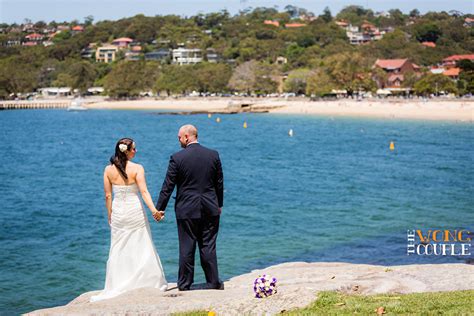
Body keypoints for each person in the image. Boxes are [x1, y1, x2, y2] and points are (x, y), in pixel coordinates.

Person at [91, 138, 167, 302]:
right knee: (141, 243)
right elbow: (144, 192)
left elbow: (107, 195)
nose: (136, 151)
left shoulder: (108, 170)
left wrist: (110, 213)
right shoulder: (137, 168)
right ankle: (146, 281)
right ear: (126, 151)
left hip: (119, 211)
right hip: (134, 210)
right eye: (134, 149)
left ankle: (119, 282)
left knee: (118, 247)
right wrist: (154, 211)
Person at [156, 125, 224, 291]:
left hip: (186, 208)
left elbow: (168, 185)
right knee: (208, 245)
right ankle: (213, 281)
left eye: (179, 137)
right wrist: (219, 204)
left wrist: (160, 208)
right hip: (210, 207)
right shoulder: (213, 155)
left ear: (187, 137)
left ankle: (185, 284)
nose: (178, 140)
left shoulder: (177, 158)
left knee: (187, 247)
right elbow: (219, 183)